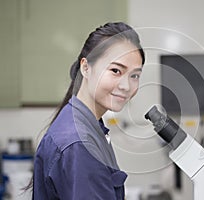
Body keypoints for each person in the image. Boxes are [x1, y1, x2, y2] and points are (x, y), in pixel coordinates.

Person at [32, 22, 145, 200]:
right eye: (116, 70)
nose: (126, 86)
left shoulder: (86, 124)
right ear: (86, 67)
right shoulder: (80, 145)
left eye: (134, 76)